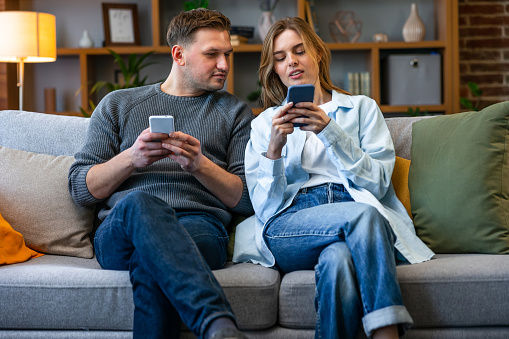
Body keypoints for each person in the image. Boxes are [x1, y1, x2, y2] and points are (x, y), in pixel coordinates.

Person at [240, 17, 435, 339]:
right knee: (365, 215)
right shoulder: (264, 126)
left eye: (300, 51)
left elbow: (379, 182)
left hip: (353, 210)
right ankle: (387, 332)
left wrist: (330, 132)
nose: (292, 61)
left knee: (339, 260)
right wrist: (274, 149)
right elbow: (265, 207)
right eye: (280, 57)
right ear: (274, 68)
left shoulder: (361, 109)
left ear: (317, 53)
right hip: (292, 224)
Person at [68, 9, 254, 339]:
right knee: (141, 203)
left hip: (200, 226)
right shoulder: (118, 105)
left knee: (151, 260)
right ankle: (215, 322)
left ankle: (217, 327)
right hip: (123, 227)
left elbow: (247, 200)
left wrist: (200, 165)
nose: (224, 64)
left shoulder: (235, 112)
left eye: (228, 54)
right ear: (179, 54)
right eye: (212, 54)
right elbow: (81, 188)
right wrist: (131, 159)